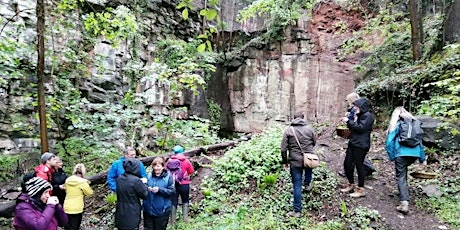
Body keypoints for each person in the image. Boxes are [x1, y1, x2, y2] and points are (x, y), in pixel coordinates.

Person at [385, 106, 426, 214]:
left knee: (400, 176)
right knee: (403, 172)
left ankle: (404, 203)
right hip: (414, 154)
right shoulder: (415, 125)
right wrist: (422, 158)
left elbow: (389, 141)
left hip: (402, 153)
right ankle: (404, 193)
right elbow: (420, 143)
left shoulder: (397, 124)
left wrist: (391, 155)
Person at [280, 112, 316, 218]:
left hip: (295, 161)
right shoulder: (309, 129)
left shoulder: (288, 130)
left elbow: (283, 149)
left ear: (294, 118)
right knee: (308, 166)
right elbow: (314, 142)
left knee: (297, 185)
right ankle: (307, 184)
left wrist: (285, 161)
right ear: (303, 118)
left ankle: (297, 211)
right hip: (308, 157)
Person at [340, 98, 374, 198]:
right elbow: (354, 127)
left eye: (356, 107)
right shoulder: (359, 115)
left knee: (359, 165)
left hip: (361, 145)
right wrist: (349, 120)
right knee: (347, 163)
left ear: (362, 107)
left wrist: (349, 121)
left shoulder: (368, 116)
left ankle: (361, 188)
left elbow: (360, 128)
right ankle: (351, 184)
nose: (354, 108)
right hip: (353, 142)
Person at [115, 158, 149, 230]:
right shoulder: (135, 181)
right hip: (132, 212)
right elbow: (145, 194)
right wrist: (145, 183)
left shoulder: (120, 178)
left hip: (120, 211)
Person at [143, 157, 175, 230]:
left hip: (161, 211)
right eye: (154, 166)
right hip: (148, 210)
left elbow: (172, 191)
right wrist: (145, 186)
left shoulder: (167, 178)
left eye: (158, 166)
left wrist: (159, 190)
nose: (156, 168)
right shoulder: (148, 176)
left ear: (163, 167)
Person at [168, 145, 195, 223]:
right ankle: (185, 219)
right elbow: (191, 171)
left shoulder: (170, 161)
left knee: (173, 201)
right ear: (182, 151)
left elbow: (166, 171)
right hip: (184, 183)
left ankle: (172, 221)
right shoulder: (186, 161)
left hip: (173, 184)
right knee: (185, 200)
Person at [63, 163, 93, 230]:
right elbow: (89, 193)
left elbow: (65, 189)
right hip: (77, 207)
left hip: (67, 206)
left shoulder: (68, 180)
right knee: (75, 227)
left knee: (67, 226)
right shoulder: (82, 182)